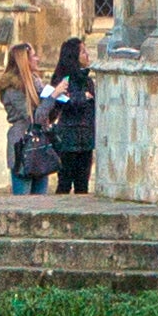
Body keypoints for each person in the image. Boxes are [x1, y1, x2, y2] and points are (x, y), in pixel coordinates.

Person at [43, 36, 101, 198]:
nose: (87, 55)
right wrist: (84, 97)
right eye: (83, 52)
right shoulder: (64, 79)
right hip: (68, 139)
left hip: (86, 139)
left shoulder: (87, 80)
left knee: (83, 185)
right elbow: (63, 102)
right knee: (64, 184)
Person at [3, 28, 57, 197]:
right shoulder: (12, 88)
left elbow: (46, 115)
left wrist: (59, 98)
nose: (37, 59)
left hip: (40, 146)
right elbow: (34, 117)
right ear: (24, 60)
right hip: (23, 145)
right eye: (33, 55)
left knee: (40, 202)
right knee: (23, 202)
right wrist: (53, 96)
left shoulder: (36, 83)